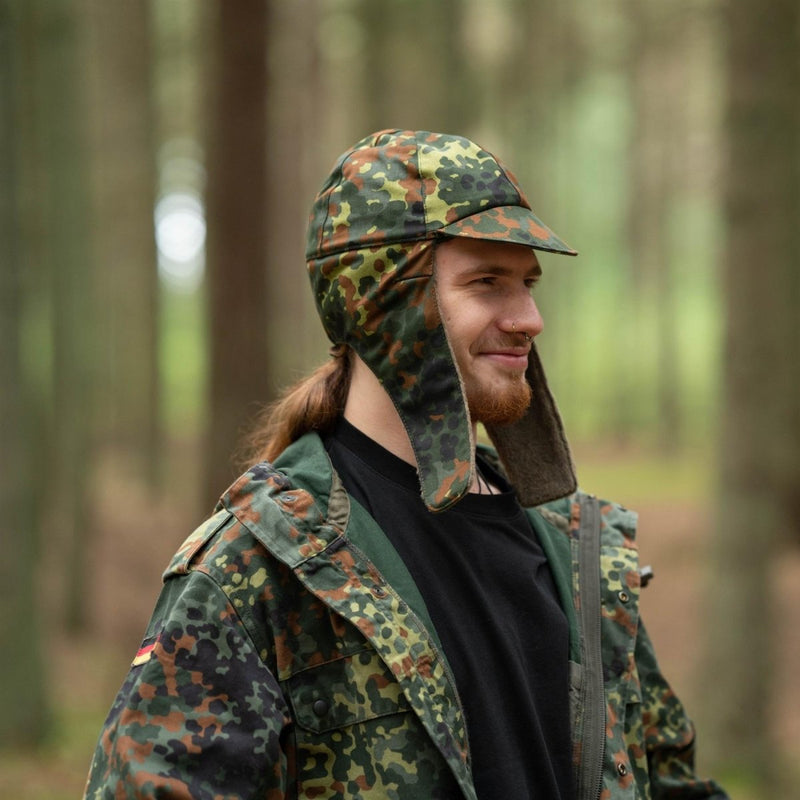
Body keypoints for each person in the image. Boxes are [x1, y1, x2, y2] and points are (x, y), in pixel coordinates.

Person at [85, 130, 727, 799]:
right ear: (384, 302)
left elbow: (669, 783)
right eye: (487, 283)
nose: (530, 318)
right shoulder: (262, 568)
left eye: (528, 283)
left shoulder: (577, 552)